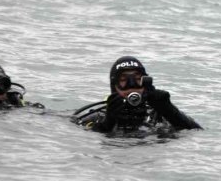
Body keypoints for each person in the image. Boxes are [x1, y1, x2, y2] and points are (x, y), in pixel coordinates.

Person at [73, 56, 202, 133]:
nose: (131, 85)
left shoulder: (158, 116)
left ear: (146, 83)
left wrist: (170, 111)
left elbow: (196, 132)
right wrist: (108, 123)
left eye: (137, 79)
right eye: (124, 80)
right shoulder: (99, 116)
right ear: (114, 86)